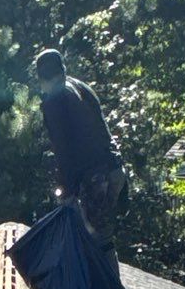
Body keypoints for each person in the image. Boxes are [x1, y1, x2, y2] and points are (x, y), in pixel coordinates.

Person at [34, 49, 127, 245]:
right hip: (115, 170)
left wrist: (66, 193)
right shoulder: (81, 87)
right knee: (104, 239)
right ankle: (106, 273)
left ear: (41, 78)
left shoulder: (54, 101)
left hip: (94, 182)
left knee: (94, 244)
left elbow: (63, 151)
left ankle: (104, 276)